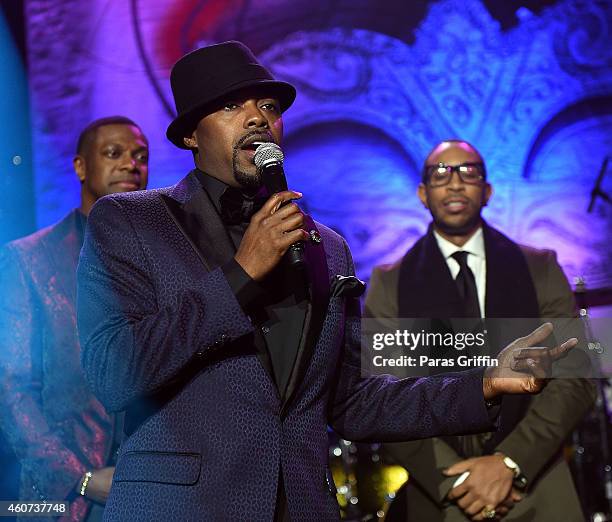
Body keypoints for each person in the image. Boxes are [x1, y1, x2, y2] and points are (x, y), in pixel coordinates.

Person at [76, 43, 576, 522]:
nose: (257, 118)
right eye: (232, 106)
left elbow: (353, 402)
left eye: (268, 106)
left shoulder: (325, 247)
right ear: (190, 135)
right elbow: (113, 372)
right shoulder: (132, 222)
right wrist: (241, 275)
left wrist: (482, 386)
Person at [365, 139, 596, 521]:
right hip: (444, 492)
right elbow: (384, 394)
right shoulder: (390, 282)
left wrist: (510, 463)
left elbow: (575, 377)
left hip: (535, 486)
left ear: (487, 191)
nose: (455, 183)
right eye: (441, 174)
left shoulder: (540, 267)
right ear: (423, 194)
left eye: (468, 172)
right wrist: (458, 481)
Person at [0, 116, 150, 521]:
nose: (130, 165)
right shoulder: (30, 258)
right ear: (81, 167)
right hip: (65, 499)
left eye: (140, 156)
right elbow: (12, 388)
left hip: (152, 487)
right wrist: (78, 477)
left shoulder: (159, 259)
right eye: (113, 153)